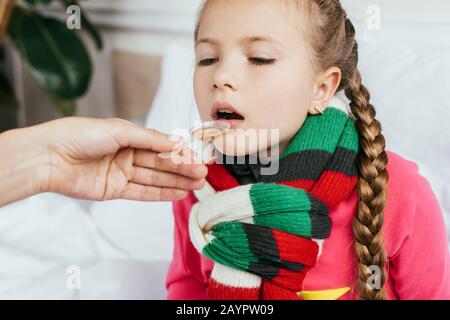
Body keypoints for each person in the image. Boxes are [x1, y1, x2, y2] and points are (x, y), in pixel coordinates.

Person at [165, 0, 450, 300]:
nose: (220, 76)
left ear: (322, 89)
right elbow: (189, 285)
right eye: (207, 58)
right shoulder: (194, 183)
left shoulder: (396, 189)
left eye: (259, 58)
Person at [0, 117, 208, 207]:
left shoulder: (188, 179)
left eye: (243, 59)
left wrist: (51, 158)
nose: (219, 77)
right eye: (208, 60)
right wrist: (50, 157)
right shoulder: (193, 192)